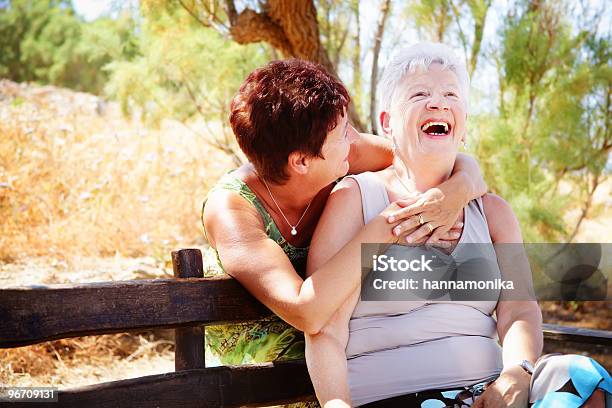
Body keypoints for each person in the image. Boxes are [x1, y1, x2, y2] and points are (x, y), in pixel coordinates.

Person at [304, 43, 611, 408]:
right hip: (396, 397)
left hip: (488, 394)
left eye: (450, 94)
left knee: (585, 380)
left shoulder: (493, 212)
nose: (438, 103)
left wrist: (517, 372)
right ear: (387, 123)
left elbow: (519, 310)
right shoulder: (355, 200)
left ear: (463, 125)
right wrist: (336, 404)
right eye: (419, 94)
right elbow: (325, 326)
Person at [201, 58, 488, 371]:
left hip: (347, 356)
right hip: (258, 377)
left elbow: (433, 158)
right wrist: (389, 226)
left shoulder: (342, 153)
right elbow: (305, 312)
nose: (355, 138)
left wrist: (454, 192)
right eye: (342, 134)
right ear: (300, 161)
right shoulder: (232, 210)